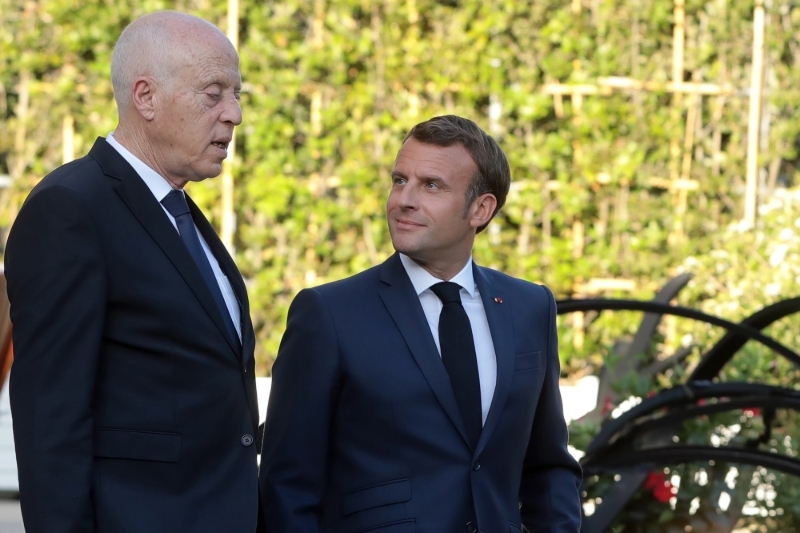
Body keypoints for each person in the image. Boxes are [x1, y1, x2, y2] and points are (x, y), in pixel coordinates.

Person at [259, 115, 582, 532]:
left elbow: (550, 468)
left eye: (431, 185)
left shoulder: (529, 307)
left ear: (480, 209)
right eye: (399, 180)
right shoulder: (328, 314)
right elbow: (288, 486)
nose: (403, 200)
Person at [4, 11, 259, 533]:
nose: (233, 115)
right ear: (145, 97)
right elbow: (50, 416)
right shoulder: (71, 208)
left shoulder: (178, 212)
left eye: (238, 96)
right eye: (214, 95)